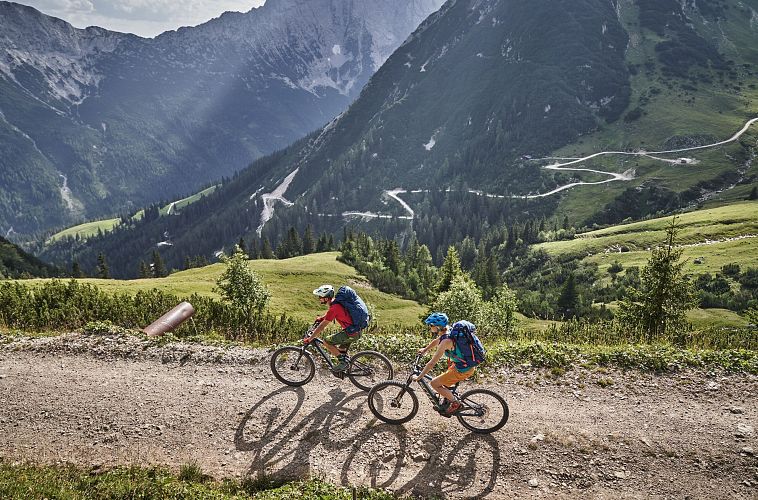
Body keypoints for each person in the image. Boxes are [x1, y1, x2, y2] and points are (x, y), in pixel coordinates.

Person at [413, 312, 478, 416]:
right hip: (461, 365)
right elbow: (436, 341)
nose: (430, 327)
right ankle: (448, 399)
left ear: (438, 327)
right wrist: (425, 350)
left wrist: (419, 377)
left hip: (462, 370)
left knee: (434, 383)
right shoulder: (447, 332)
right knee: (442, 380)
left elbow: (432, 363)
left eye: (431, 325)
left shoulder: (446, 342)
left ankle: (456, 403)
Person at [306, 284, 365, 372]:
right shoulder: (336, 303)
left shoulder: (334, 308)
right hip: (355, 331)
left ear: (326, 298)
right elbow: (330, 314)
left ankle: (343, 364)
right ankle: (345, 365)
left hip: (352, 333)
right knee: (340, 350)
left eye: (320, 296)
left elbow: (322, 326)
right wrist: (321, 318)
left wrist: (310, 338)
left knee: (327, 341)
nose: (319, 298)